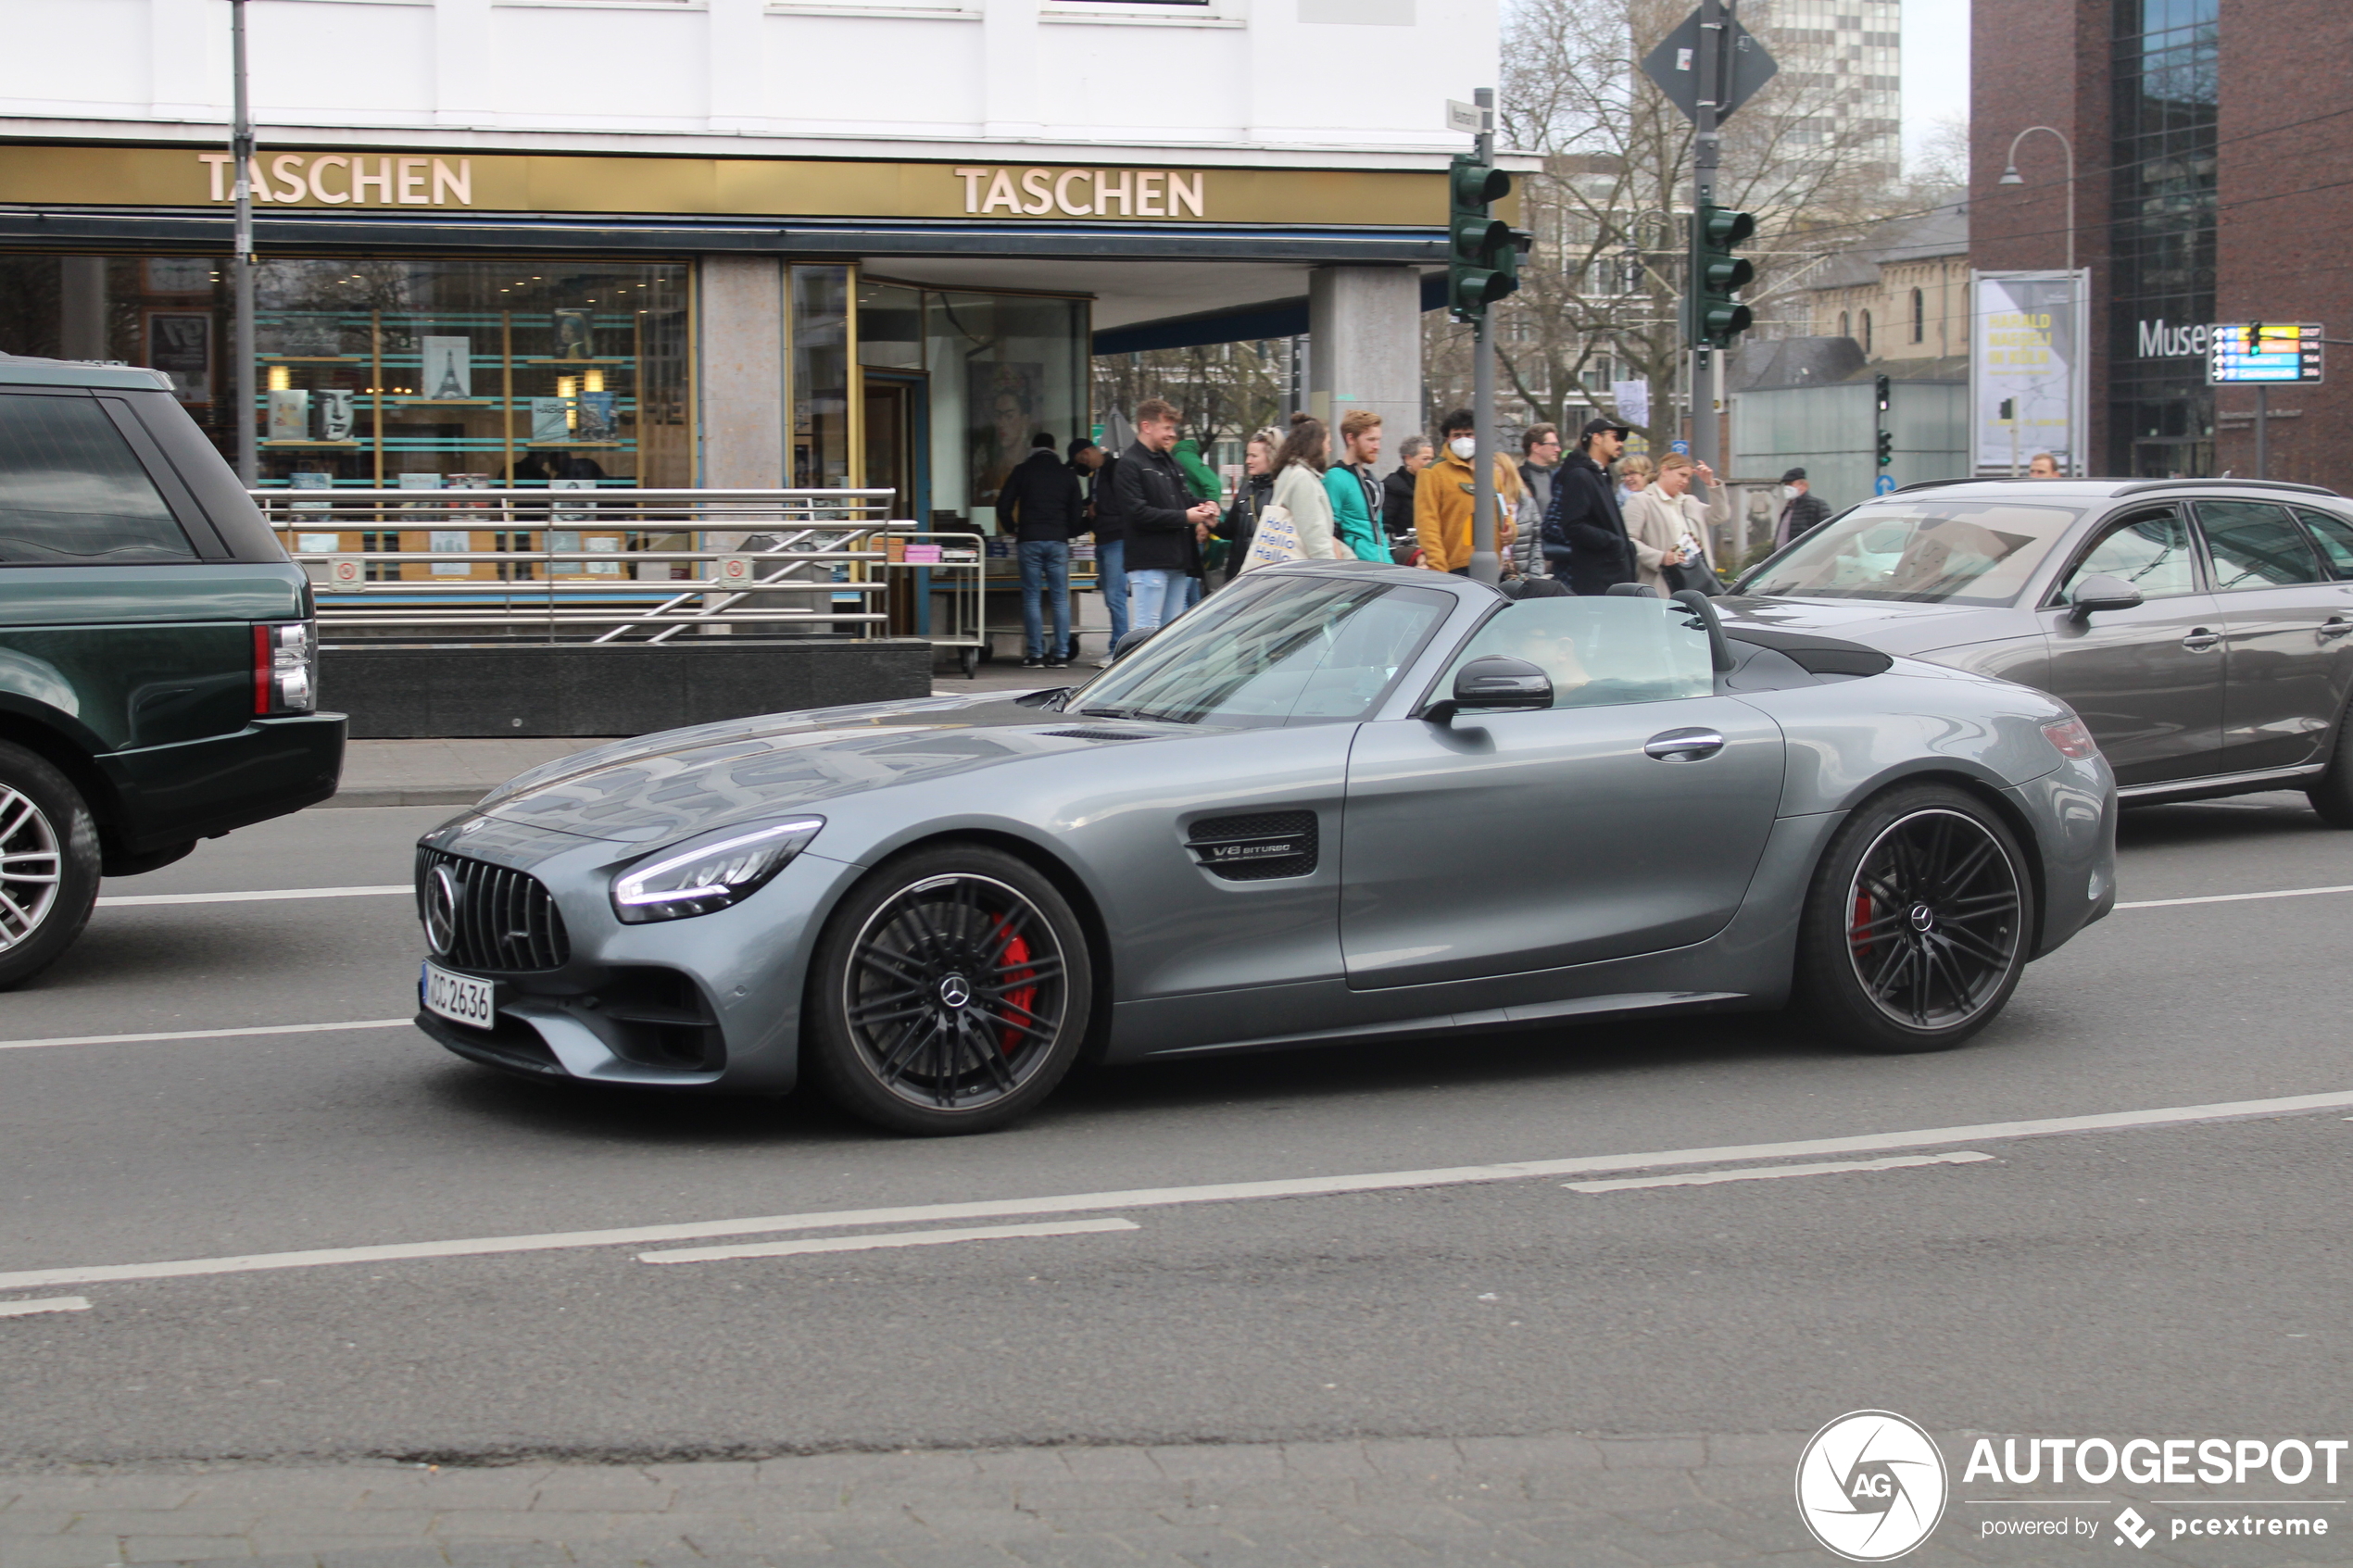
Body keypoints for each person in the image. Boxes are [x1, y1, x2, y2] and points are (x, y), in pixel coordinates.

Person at [1109, 397, 1217, 633]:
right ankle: (1137, 671)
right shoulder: (1130, 464)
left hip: (1176, 560)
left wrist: (1205, 506)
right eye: (1166, 428)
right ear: (1147, 426)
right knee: (1146, 632)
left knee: (1169, 635)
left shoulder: (1170, 463)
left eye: (1172, 428)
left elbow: (1183, 500)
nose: (1172, 434)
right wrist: (1186, 517)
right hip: (1149, 561)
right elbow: (1138, 513)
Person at [997, 432, 1082, 668]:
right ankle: (1061, 653)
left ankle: (1035, 654)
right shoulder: (1067, 474)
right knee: (1059, 599)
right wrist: (1067, 532)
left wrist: (1012, 528)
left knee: (1032, 598)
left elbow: (1003, 504)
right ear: (1054, 448)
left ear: (1032, 447)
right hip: (1057, 541)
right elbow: (1076, 513)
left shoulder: (1022, 470)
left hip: (1030, 539)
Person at [1414, 408, 1525, 575]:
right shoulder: (1432, 472)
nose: (1463, 439)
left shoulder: (1490, 472)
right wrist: (1438, 566)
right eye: (1457, 435)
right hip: (1453, 565)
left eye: (1469, 434)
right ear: (1448, 438)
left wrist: (1511, 531)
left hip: (1491, 564)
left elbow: (1504, 510)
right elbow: (1427, 523)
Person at [1541, 417, 1636, 594]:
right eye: (1615, 437)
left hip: (1607, 577)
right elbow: (1573, 525)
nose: (1620, 443)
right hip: (1595, 580)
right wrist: (1613, 543)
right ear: (1597, 438)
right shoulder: (1580, 475)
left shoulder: (1600, 475)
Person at [1625, 452, 1732, 594]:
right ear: (1664, 470)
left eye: (1688, 478)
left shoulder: (1689, 501)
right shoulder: (1641, 501)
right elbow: (1628, 541)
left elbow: (1720, 515)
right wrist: (1661, 557)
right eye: (1682, 475)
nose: (1685, 481)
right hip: (1660, 583)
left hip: (1695, 581)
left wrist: (1711, 484)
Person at [1262, 414, 1344, 568]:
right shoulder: (1303, 479)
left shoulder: (1289, 472)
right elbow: (1315, 536)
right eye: (1327, 443)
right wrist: (1334, 573)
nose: (1329, 449)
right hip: (1302, 573)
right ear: (1315, 445)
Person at [1325, 408, 1390, 563]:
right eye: (1371, 439)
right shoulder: (1335, 478)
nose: (1377, 446)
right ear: (1351, 439)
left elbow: (1378, 529)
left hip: (1382, 566)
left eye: (1378, 440)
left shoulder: (1371, 479)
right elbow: (1329, 531)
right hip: (1356, 570)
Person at [1215, 426, 1278, 570]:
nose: (1248, 461)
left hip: (1267, 571)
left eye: (1254, 456)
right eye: (1247, 455)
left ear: (1271, 457)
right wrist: (1213, 523)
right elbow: (1230, 530)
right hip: (1239, 570)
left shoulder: (1282, 490)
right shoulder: (1246, 488)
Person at [1514, 424, 1561, 577]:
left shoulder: (1557, 478)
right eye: (1553, 444)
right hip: (1529, 562)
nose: (1558, 449)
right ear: (1536, 447)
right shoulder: (1518, 479)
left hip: (1556, 556)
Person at [1383, 435, 1430, 559]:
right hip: (1405, 554)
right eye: (1425, 459)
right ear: (1408, 459)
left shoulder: (1431, 484)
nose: (1430, 464)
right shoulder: (1393, 487)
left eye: (1432, 459)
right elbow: (1384, 522)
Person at [1775, 467, 1832, 546]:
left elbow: (1827, 532)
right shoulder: (1789, 508)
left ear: (1803, 485)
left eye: (1790, 484)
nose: (1787, 488)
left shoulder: (1816, 505)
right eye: (1786, 484)